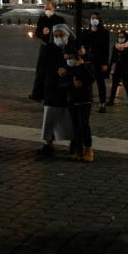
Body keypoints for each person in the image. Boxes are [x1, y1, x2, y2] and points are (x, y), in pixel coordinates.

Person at [39, 24, 75, 156]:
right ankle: (48, 143)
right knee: (50, 115)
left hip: (68, 86)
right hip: (52, 86)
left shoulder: (73, 48)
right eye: (56, 36)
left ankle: (74, 142)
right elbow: (42, 68)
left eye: (61, 35)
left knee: (69, 116)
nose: (58, 38)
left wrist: (68, 70)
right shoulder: (49, 48)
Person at [60, 45, 96, 162]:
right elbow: (61, 84)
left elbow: (91, 78)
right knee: (75, 125)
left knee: (84, 124)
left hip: (85, 100)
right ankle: (78, 150)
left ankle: (88, 150)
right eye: (66, 59)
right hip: (72, 100)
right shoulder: (66, 68)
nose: (68, 61)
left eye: (70, 58)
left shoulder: (86, 64)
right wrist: (71, 84)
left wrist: (82, 66)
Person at [30, 2, 65, 101]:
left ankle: (54, 94)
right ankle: (37, 94)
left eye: (49, 9)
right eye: (46, 9)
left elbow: (63, 32)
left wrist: (53, 32)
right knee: (41, 71)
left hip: (56, 49)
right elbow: (37, 32)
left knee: (54, 71)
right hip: (45, 48)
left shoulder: (59, 19)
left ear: (53, 8)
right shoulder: (42, 19)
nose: (47, 10)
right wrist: (42, 33)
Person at [82, 12, 110, 113]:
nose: (93, 19)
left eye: (95, 18)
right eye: (92, 17)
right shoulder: (86, 32)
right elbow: (83, 47)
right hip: (88, 61)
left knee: (100, 82)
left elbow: (106, 49)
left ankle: (102, 103)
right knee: (87, 82)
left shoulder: (104, 32)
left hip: (99, 61)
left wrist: (105, 63)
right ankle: (88, 100)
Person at [107, 30, 128, 106]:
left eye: (122, 37)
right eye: (119, 37)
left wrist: (123, 51)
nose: (120, 38)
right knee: (114, 85)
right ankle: (111, 101)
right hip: (116, 68)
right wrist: (110, 67)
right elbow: (113, 57)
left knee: (127, 85)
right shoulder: (116, 45)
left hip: (125, 68)